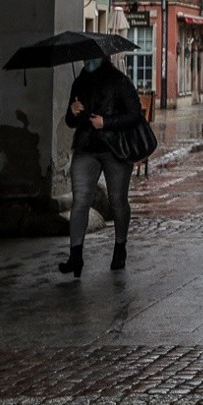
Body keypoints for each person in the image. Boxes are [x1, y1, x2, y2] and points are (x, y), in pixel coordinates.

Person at [60, 55, 145, 278]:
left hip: (115, 149)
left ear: (104, 57)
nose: (88, 60)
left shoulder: (119, 81)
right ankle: (75, 256)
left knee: (117, 201)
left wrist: (106, 123)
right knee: (80, 201)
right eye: (86, 57)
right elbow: (70, 121)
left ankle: (120, 247)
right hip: (86, 147)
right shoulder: (79, 82)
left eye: (93, 57)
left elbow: (135, 114)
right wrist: (73, 110)